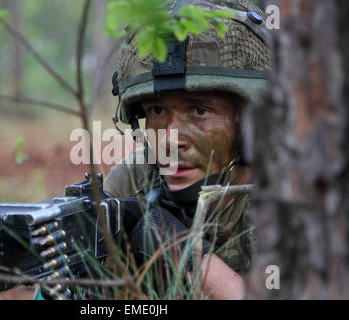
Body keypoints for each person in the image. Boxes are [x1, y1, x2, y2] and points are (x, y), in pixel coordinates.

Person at [103, 0, 271, 300]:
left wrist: (186, 255)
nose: (171, 138)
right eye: (157, 110)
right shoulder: (132, 181)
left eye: (199, 111)